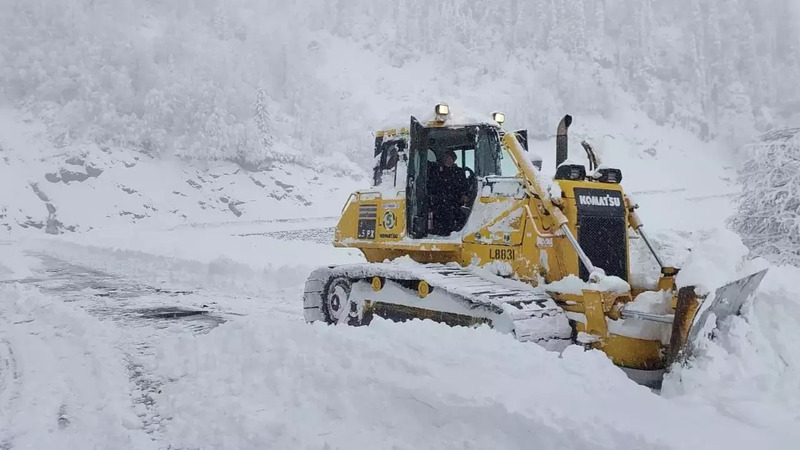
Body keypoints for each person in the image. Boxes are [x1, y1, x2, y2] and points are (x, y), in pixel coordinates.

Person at [429, 149, 469, 235]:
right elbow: (433, 185)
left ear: (454, 159)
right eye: (446, 157)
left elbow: (464, 186)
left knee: (455, 216)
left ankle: (453, 232)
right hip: (439, 200)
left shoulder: (459, 171)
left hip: (454, 200)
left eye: (450, 157)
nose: (448, 159)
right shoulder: (437, 170)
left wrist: (465, 195)